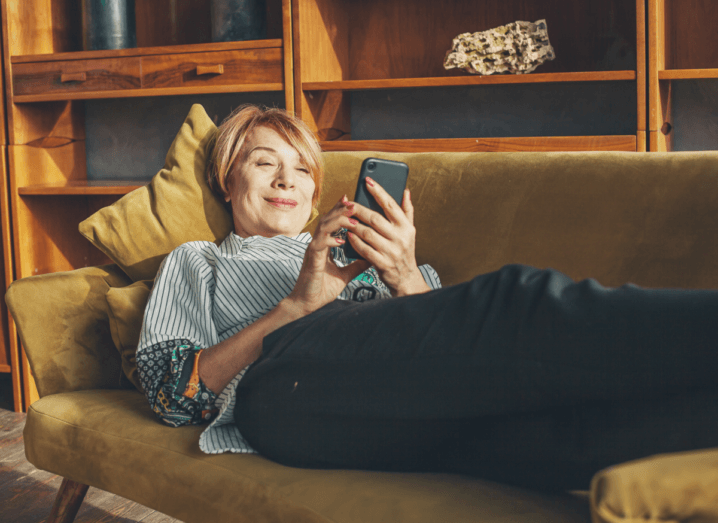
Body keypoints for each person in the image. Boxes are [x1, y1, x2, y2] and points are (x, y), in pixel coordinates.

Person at [137, 104, 718, 491]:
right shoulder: (199, 260)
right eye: (265, 164)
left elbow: (460, 342)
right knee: (519, 299)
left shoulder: (364, 253)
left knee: (564, 438)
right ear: (227, 181)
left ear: (316, 190)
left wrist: (405, 273)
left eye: (301, 170)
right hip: (278, 395)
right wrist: (296, 306)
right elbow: (170, 395)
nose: (287, 180)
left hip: (410, 399)